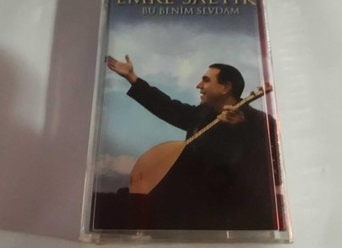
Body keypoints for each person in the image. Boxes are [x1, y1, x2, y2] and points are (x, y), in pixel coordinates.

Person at [106, 55, 280, 230]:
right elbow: (168, 107)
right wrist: (132, 78)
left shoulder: (260, 122)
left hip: (226, 215)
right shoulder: (202, 114)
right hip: (185, 205)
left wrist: (240, 128)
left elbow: (266, 172)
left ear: (226, 87)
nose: (199, 85)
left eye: (206, 80)